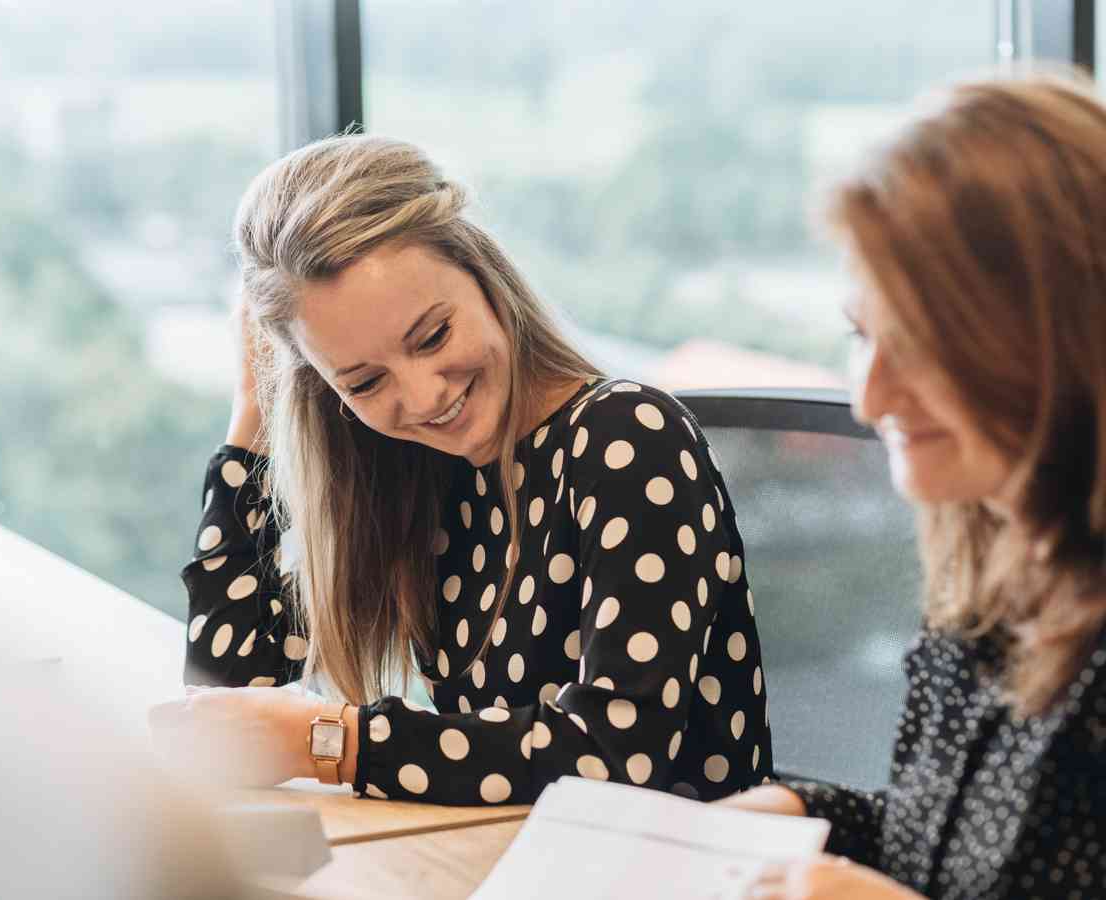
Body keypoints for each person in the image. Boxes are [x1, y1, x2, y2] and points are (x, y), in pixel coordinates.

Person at [166, 135, 771, 805]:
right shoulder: (416, 468)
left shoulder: (628, 436)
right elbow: (228, 704)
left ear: (482, 274)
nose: (425, 396)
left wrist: (333, 741)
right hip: (502, 855)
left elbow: (616, 753)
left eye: (433, 336)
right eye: (364, 382)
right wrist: (253, 412)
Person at [728, 73, 1106, 899]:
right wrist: (799, 809)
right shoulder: (986, 561)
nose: (870, 400)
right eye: (861, 336)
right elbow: (943, 843)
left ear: (1058, 337)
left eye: (919, 345)